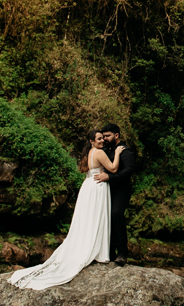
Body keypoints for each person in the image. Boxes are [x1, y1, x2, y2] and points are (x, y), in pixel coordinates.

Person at [8, 130, 124, 290]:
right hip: (97, 187)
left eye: (102, 138)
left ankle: (92, 248)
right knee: (96, 218)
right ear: (92, 141)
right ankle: (98, 253)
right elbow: (113, 168)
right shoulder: (99, 152)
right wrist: (117, 153)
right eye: (98, 139)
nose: (102, 141)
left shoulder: (89, 152)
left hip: (88, 185)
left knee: (88, 219)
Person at [94, 123, 136, 266]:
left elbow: (129, 171)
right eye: (103, 136)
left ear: (116, 135)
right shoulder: (105, 150)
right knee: (105, 217)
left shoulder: (125, 151)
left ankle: (122, 253)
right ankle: (108, 252)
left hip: (121, 190)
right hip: (106, 190)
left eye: (108, 136)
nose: (105, 138)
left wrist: (110, 177)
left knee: (116, 214)